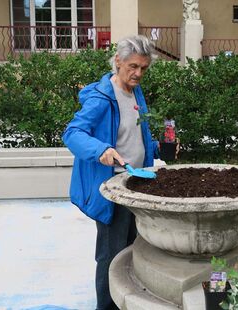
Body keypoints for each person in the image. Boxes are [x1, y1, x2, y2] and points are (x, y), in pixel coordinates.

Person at [62, 35, 159, 310]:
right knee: (111, 254)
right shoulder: (102, 98)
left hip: (136, 183)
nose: (138, 73)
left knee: (131, 249)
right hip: (113, 190)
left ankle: (125, 302)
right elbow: (72, 133)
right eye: (133, 66)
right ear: (118, 61)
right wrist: (100, 149)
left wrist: (156, 149)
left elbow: (132, 134)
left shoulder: (135, 92)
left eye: (143, 68)